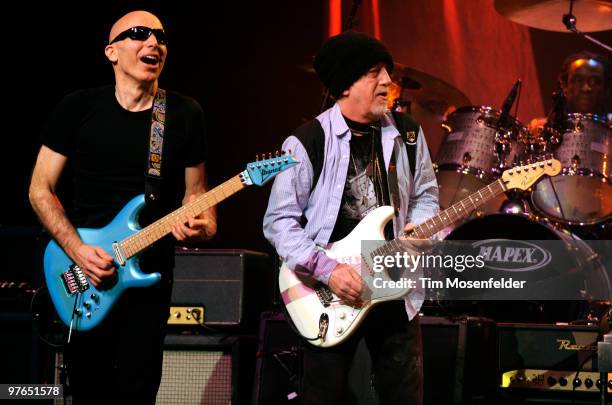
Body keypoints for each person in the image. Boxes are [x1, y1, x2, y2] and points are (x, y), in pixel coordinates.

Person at [28, 10, 216, 404]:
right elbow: (40, 190)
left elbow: (196, 195)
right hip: (84, 273)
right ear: (111, 52)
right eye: (139, 34)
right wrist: (78, 251)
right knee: (88, 389)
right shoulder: (78, 108)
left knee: (139, 389)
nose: (154, 42)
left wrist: (202, 222)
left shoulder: (183, 113)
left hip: (150, 274)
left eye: (161, 37)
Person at [263, 31, 439, 405]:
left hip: (396, 286)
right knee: (323, 397)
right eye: (375, 72)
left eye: (386, 72)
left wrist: (421, 231)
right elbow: (279, 222)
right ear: (345, 84)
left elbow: (426, 196)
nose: (388, 82)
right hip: (329, 294)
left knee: (405, 395)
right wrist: (328, 270)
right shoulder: (307, 141)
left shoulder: (407, 134)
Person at [528, 51, 611, 132]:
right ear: (564, 85)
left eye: (594, 82)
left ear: (606, 89)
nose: (585, 88)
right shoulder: (538, 129)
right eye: (578, 80)